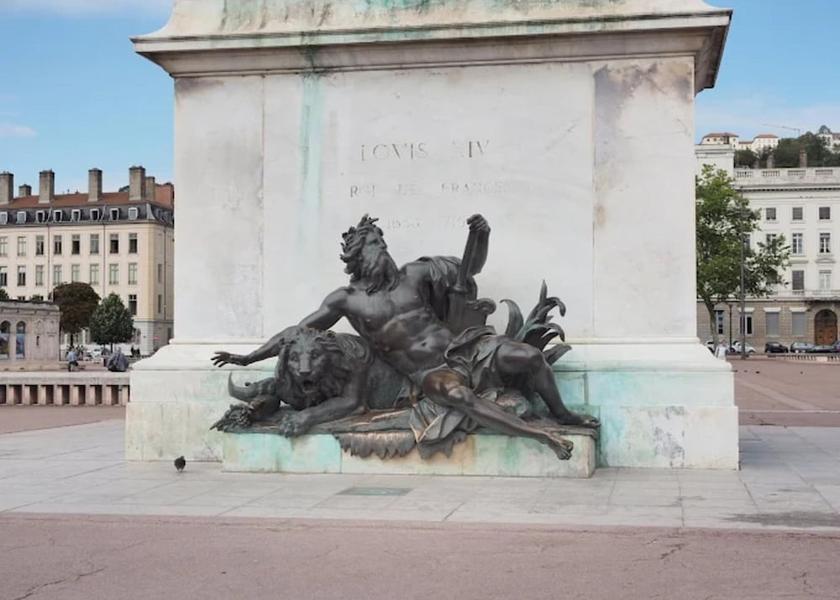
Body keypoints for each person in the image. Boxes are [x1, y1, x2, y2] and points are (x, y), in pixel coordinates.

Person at [213, 214, 597, 459]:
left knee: (530, 357)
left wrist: (481, 236)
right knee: (459, 397)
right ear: (357, 257)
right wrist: (248, 358)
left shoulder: (416, 274)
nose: (383, 250)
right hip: (427, 373)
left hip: (465, 348)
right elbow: (298, 332)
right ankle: (539, 436)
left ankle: (562, 415)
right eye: (374, 246)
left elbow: (469, 269)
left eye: (383, 244)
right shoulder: (346, 300)